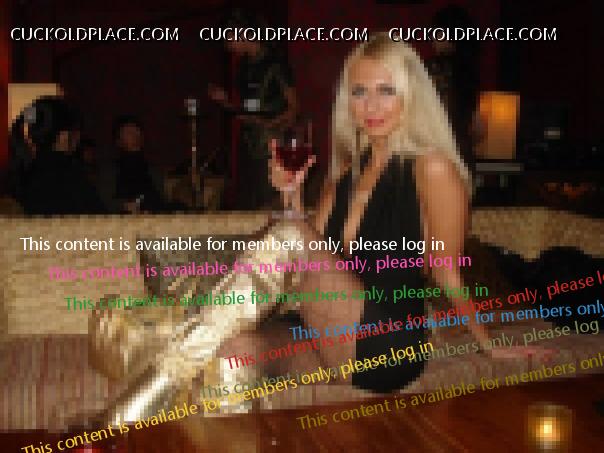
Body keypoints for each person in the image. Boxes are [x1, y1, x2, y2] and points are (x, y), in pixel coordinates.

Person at [98, 34, 553, 424]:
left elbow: (446, 272)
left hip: (386, 340)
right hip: (325, 335)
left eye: (385, 91)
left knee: (291, 238)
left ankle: (158, 381)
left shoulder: (431, 169)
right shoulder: (344, 178)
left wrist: (489, 346)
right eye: (359, 92)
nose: (370, 106)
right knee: (235, 352)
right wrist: (291, 195)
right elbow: (302, 265)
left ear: (411, 96)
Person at [208, 10, 297, 210]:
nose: (227, 45)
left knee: (270, 202)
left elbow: (294, 108)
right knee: (248, 203)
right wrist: (224, 102)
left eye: (228, 38)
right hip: (248, 142)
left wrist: (269, 123)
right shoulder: (243, 66)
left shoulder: (275, 64)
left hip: (271, 142)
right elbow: (247, 109)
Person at [11, 96, 105, 215]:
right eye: (76, 132)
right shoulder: (70, 175)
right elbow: (102, 220)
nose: (79, 139)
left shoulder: (22, 174)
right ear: (64, 136)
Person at [102, 115, 164, 213]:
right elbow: (104, 202)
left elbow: (161, 200)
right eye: (129, 132)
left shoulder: (153, 170)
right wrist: (124, 205)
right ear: (118, 141)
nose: (135, 135)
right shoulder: (110, 170)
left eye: (137, 131)